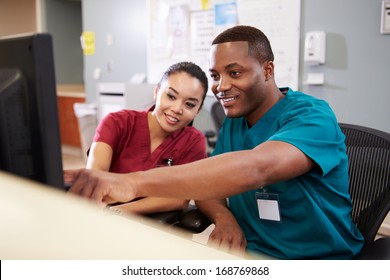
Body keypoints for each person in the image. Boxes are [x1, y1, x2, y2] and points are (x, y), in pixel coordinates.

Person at [65, 25, 364, 259]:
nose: (221, 87)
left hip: (315, 260)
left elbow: (258, 168)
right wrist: (224, 217)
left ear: (268, 71)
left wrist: (133, 182)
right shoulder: (235, 122)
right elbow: (210, 182)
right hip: (246, 255)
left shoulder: (312, 116)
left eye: (234, 73)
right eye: (216, 76)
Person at [85, 61, 209, 215]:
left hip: (152, 227)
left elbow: (178, 199)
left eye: (189, 104)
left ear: (198, 110)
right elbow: (95, 179)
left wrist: (118, 212)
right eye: (171, 96)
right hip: (101, 216)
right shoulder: (117, 123)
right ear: (156, 92)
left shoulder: (193, 142)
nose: (177, 109)